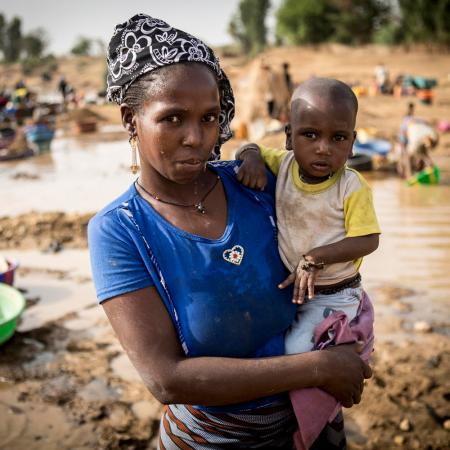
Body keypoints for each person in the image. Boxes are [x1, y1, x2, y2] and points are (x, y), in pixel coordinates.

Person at [88, 15, 372, 449]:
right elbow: (168, 379)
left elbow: (332, 188)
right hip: (211, 439)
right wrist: (320, 368)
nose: (195, 138)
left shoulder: (254, 184)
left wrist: (252, 151)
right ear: (131, 119)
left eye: (209, 118)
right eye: (173, 118)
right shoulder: (121, 231)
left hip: (307, 424)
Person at [236, 78, 380, 448]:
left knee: (297, 354)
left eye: (338, 138)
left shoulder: (351, 186)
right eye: (310, 135)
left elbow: (369, 239)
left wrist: (317, 258)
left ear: (352, 141)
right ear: (288, 137)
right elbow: (248, 146)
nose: (323, 149)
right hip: (298, 289)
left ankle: (314, 424)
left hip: (335, 292)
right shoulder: (281, 165)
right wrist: (250, 156)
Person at [397, 102, 439, 178]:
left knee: (412, 156)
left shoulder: (412, 122)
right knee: (408, 156)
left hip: (412, 136)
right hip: (408, 136)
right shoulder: (409, 122)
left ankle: (409, 174)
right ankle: (409, 174)